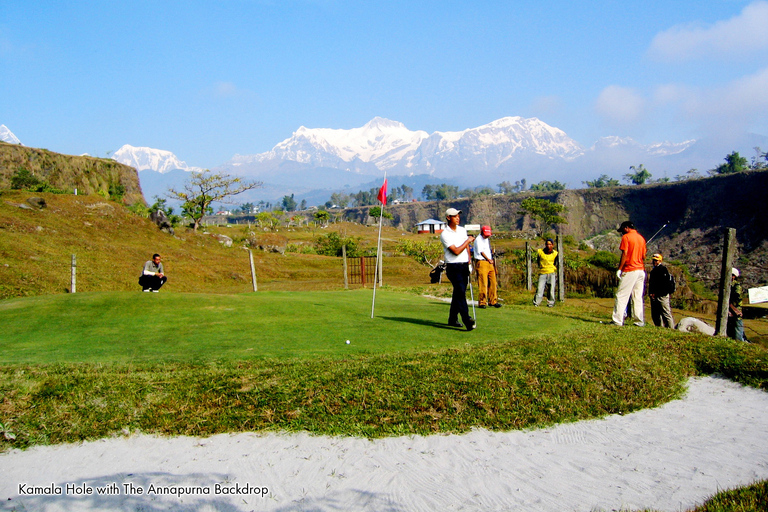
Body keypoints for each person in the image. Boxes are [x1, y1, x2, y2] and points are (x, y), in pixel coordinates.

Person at [439, 208, 476, 331]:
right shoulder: (445, 234)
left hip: (464, 265)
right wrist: (468, 240)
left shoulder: (462, 230)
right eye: (454, 216)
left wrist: (469, 261)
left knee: (458, 292)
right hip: (453, 266)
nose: (457, 218)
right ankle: (467, 319)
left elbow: (466, 248)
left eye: (458, 216)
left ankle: (452, 319)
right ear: (448, 217)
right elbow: (456, 251)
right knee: (460, 293)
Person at [611, 221, 647, 326]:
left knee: (621, 295)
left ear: (626, 228)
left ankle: (617, 320)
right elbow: (644, 256)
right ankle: (639, 321)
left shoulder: (626, 237)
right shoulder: (641, 238)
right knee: (637, 297)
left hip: (630, 269)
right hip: (641, 270)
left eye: (622, 230)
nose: (622, 233)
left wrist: (620, 269)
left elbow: (625, 254)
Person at [473, 225, 501, 309]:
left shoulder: (486, 239)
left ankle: (493, 301)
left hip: (490, 263)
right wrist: (488, 259)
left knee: (493, 282)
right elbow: (481, 252)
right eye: (486, 234)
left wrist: (491, 260)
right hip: (482, 262)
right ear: (482, 232)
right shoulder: (478, 240)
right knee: (483, 283)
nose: (487, 236)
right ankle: (482, 302)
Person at [648, 253, 675, 328]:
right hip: (655, 295)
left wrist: (656, 293)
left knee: (665, 313)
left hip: (662, 295)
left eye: (656, 260)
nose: (654, 262)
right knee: (655, 314)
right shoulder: (654, 270)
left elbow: (663, 284)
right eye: (653, 260)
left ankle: (670, 328)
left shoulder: (662, 270)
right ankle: (659, 327)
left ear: (660, 261)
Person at [533, 239, 558, 307]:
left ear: (552, 245)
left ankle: (550, 303)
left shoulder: (555, 253)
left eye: (550, 244)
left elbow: (556, 262)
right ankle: (536, 303)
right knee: (540, 288)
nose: (548, 246)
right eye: (547, 244)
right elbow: (538, 261)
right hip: (543, 272)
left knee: (551, 289)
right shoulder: (540, 252)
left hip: (551, 272)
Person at [728, 268, 745, 341]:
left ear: (734, 276)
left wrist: (732, 308)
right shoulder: (729, 285)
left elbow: (737, 299)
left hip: (735, 311)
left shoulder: (736, 286)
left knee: (738, 333)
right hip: (729, 311)